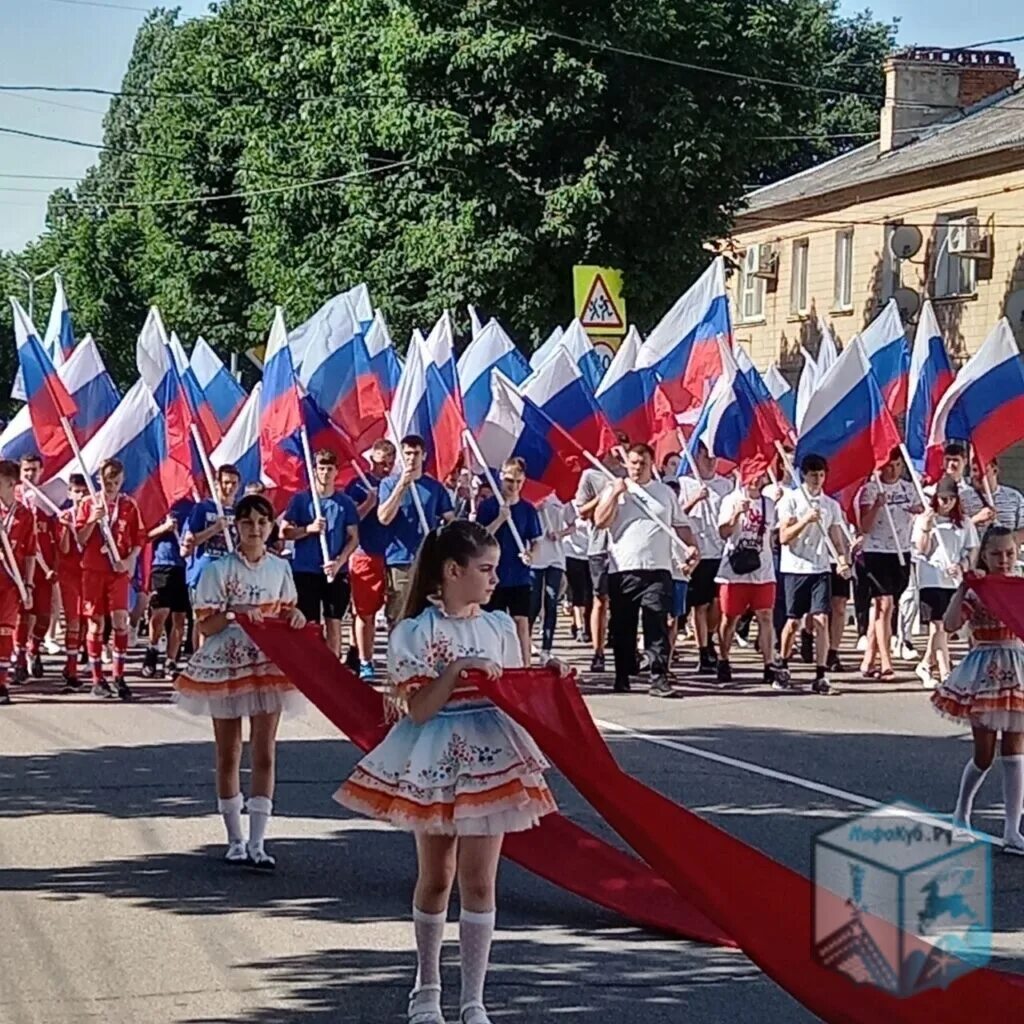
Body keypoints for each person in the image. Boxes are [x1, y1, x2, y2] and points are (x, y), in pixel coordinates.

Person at [334, 520, 560, 1024]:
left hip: (492, 754)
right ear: (452, 571)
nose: (494, 579)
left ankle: (474, 998)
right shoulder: (414, 631)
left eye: (495, 570)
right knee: (437, 876)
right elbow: (417, 710)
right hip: (434, 754)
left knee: (481, 880)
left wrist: (552, 675)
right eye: (485, 569)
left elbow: (520, 691)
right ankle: (427, 987)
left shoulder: (500, 626)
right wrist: (458, 670)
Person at [173, 493, 307, 869]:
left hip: (267, 664)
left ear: (271, 527)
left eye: (262, 522)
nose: (255, 529)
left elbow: (288, 609)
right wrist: (235, 614)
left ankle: (259, 841)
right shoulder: (217, 570)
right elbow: (206, 623)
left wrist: (295, 615)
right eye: (248, 522)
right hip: (228, 663)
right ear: (237, 526)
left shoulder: (280, 568)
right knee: (228, 752)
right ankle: (234, 838)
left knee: (264, 751)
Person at [932, 526, 1024, 854]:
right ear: (984, 555)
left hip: (1017, 668)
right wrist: (962, 588)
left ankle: (1012, 830)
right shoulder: (979, 590)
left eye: (1010, 553)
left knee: (1015, 751)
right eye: (997, 554)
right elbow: (952, 624)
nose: (1004, 560)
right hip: (984, 670)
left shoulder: (1019, 587)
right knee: (984, 755)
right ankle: (962, 812)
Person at [594, 443, 696, 697]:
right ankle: (622, 674)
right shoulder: (614, 488)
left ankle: (659, 677)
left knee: (657, 622)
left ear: (651, 465)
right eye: (633, 463)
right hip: (623, 568)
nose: (637, 468)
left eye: (643, 463)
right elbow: (600, 521)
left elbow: (680, 525)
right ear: (626, 464)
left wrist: (692, 547)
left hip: (657, 569)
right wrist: (616, 494)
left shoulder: (664, 493)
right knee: (622, 626)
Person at [777, 454, 851, 696]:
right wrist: (806, 520)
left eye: (821, 475)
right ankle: (783, 662)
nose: (817, 480)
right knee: (793, 622)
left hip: (820, 568)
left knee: (821, 619)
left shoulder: (831, 505)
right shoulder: (791, 500)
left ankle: (820, 674)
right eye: (812, 475)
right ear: (804, 476)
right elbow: (784, 537)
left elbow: (836, 535)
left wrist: (841, 559)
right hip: (796, 568)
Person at [75, 458, 144, 701]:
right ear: (98, 480)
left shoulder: (129, 506)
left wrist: (128, 562)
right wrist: (94, 519)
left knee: (120, 621)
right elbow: (80, 539)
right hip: (93, 570)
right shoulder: (88, 503)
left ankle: (119, 675)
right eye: (106, 481)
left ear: (122, 480)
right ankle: (97, 678)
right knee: (96, 623)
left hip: (118, 572)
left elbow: (138, 540)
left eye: (115, 482)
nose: (111, 486)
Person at [282, 449, 360, 658]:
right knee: (310, 623)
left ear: (336, 472)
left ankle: (333, 669)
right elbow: (285, 531)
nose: (325, 473)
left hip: (335, 571)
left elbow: (353, 537)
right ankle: (311, 665)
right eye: (321, 468)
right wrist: (308, 529)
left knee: (334, 622)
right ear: (314, 471)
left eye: (329, 469)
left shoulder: (345, 503)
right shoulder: (301, 500)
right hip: (305, 570)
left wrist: (338, 562)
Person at [716, 468, 788, 688]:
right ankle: (723, 658)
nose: (755, 481)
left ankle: (768, 664)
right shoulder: (731, 500)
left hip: (762, 568)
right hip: (734, 571)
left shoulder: (768, 503)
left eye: (759, 476)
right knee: (730, 618)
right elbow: (723, 532)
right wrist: (736, 514)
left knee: (765, 616)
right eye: (751, 475)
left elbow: (774, 533)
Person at [855, 450, 922, 680]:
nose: (892, 470)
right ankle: (886, 661)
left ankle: (868, 660)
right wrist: (876, 506)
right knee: (885, 604)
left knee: (882, 608)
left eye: (896, 465)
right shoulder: (871, 489)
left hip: (901, 553)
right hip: (876, 552)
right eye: (888, 465)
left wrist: (920, 510)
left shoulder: (908, 489)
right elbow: (864, 526)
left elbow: (923, 509)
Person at [378, 435, 455, 626]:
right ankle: (396, 653)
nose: (412, 458)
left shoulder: (435, 487)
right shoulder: (388, 484)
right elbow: (384, 517)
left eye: (416, 453)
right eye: (407, 453)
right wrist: (402, 486)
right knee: (399, 615)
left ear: (424, 455)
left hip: (428, 559)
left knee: (428, 614)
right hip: (400, 560)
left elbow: (450, 520)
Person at [912, 476, 978, 688]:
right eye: (942, 498)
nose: (946, 503)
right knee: (937, 624)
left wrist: (963, 566)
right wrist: (927, 528)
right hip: (931, 577)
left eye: (950, 499)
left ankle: (924, 664)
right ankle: (945, 672)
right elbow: (921, 549)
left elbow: (972, 548)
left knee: (946, 628)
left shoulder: (964, 523)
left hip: (953, 580)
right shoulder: (924, 520)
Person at [477, 459, 542, 665]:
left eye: (518, 482)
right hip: (492, 575)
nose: (513, 486)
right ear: (501, 478)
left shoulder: (528, 509)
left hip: (519, 575)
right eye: (509, 481)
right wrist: (499, 519)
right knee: (489, 621)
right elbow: (480, 537)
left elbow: (536, 541)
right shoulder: (488, 506)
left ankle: (526, 666)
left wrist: (531, 555)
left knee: (521, 621)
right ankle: (490, 662)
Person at [677, 443, 733, 673]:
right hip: (698, 551)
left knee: (718, 604)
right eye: (705, 456)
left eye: (713, 457)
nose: (710, 461)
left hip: (721, 551)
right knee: (699, 604)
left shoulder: (726, 485)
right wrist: (695, 499)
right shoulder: (685, 483)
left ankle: (709, 637)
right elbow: (676, 516)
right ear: (696, 456)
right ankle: (703, 649)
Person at [345, 438, 396, 680]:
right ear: (371, 461)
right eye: (380, 463)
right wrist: (370, 502)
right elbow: (349, 518)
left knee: (395, 613)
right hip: (365, 554)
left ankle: (397, 659)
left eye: (389, 463)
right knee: (364, 613)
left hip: (394, 555)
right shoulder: (358, 485)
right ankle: (365, 661)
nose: (384, 468)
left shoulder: (397, 484)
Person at [574, 440, 627, 673]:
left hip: (625, 546)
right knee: (601, 599)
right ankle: (598, 652)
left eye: (624, 443)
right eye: (616, 443)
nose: (619, 448)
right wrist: (605, 493)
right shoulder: (591, 474)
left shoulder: (629, 474)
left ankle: (625, 647)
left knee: (625, 601)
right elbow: (582, 512)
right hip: (599, 547)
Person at [14, 454, 57, 682]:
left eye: (34, 470)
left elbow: (56, 533)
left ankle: (34, 649)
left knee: (43, 616)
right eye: (26, 470)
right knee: (22, 615)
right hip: (18, 566)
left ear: (41, 471)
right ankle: (20, 658)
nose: (30, 474)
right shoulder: (13, 498)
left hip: (44, 568)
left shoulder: (48, 499)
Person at [143, 498, 194, 678]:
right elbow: (144, 536)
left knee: (180, 617)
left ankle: (171, 660)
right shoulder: (158, 503)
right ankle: (152, 649)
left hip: (185, 565)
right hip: (162, 563)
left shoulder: (194, 505)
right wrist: (164, 528)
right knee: (161, 613)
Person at [0, 460, 36, 705]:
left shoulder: (25, 514)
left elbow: (31, 552)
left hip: (12, 581)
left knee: (5, 630)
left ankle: (1, 683)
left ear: (11, 483)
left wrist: (30, 584)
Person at [529, 493, 574, 661]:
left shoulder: (562, 499)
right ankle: (527, 640)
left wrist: (560, 534)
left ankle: (547, 648)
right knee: (533, 603)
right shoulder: (532, 499)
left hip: (556, 557)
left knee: (552, 600)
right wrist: (536, 509)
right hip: (536, 557)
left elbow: (572, 525)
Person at [183, 464, 240, 590]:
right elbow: (190, 542)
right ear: (216, 484)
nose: (229, 487)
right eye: (225, 482)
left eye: (233, 483)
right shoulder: (202, 508)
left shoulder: (240, 512)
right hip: (204, 573)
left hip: (230, 574)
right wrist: (215, 528)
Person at [56, 474, 89, 692]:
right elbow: (65, 548)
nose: (80, 496)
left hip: (89, 574)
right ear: (69, 493)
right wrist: (67, 528)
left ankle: (72, 664)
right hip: (70, 575)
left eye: (84, 492)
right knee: (73, 622)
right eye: (76, 491)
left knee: (87, 623)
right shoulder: (64, 516)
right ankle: (72, 669)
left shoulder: (92, 517)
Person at [961, 459, 1024, 542]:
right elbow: (957, 532)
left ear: (995, 470)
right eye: (974, 470)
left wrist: (1007, 539)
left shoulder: (1014, 497)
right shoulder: (963, 498)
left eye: (982, 470)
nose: (976, 474)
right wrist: (975, 519)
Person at [562, 499, 592, 645]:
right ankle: (580, 628)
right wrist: (569, 528)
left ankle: (586, 624)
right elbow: (564, 525)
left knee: (591, 594)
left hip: (593, 553)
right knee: (577, 592)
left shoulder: (596, 502)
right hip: (573, 553)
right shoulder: (569, 506)